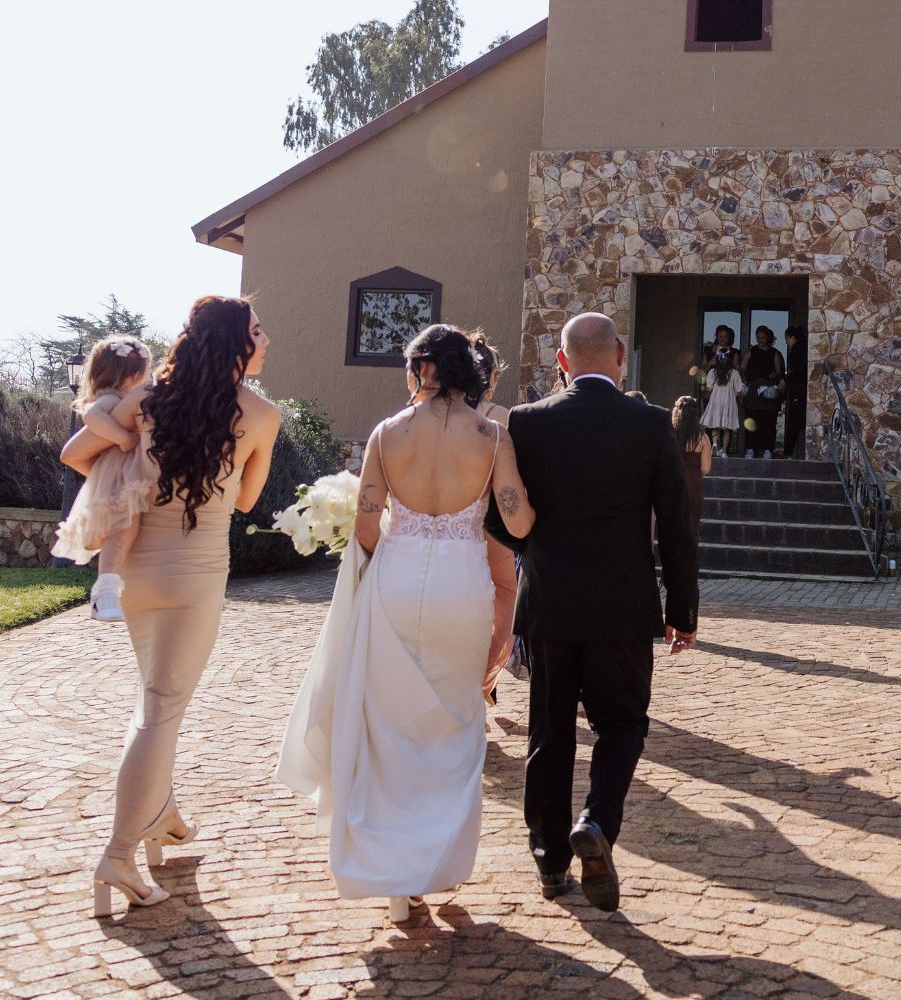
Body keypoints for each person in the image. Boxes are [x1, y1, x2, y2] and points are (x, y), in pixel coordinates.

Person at [278, 325, 535, 925]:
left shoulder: (387, 433)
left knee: (390, 726)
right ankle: (433, 861)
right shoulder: (491, 435)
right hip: (461, 587)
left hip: (396, 580)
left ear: (423, 369)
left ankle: (396, 878)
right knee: (454, 720)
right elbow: (518, 526)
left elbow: (367, 529)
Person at [62, 296, 281, 918]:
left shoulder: (151, 398)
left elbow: (87, 442)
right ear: (236, 343)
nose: (266, 342)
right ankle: (119, 851)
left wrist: (138, 435)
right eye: (258, 332)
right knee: (160, 708)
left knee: (156, 699)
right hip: (195, 575)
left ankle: (160, 815)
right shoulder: (263, 415)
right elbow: (244, 504)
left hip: (136, 571)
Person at [487, 312, 698, 913]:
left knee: (550, 735)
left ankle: (550, 862)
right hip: (623, 607)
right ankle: (598, 822)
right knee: (624, 724)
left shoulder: (526, 424)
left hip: (550, 604)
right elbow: (676, 530)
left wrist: (539, 555)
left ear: (561, 361)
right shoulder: (652, 425)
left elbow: (500, 516)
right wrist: (681, 609)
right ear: (620, 356)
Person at [50, 336, 155, 620]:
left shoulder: (126, 401)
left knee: (127, 531)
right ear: (133, 375)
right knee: (123, 529)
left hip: (123, 477)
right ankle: (104, 591)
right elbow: (92, 417)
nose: (151, 377)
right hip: (120, 476)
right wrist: (122, 438)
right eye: (147, 371)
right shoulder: (112, 399)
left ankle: (114, 589)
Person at [471, 331, 517, 705]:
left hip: (450, 524)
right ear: (493, 377)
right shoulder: (499, 417)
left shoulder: (445, 414)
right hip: (491, 525)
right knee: (507, 598)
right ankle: (482, 682)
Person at [740, 326, 786, 458]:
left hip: (768, 392)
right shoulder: (751, 352)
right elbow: (742, 369)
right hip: (753, 392)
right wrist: (743, 385)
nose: (761, 340)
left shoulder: (774, 353)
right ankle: (750, 449)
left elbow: (779, 372)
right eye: (758, 338)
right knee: (751, 421)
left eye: (763, 338)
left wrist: (774, 376)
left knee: (769, 422)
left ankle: (768, 450)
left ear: (768, 338)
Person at [672, 396, 711, 537]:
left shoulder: (669, 434)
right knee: (691, 529)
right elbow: (706, 469)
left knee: (671, 529)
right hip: (693, 485)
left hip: (672, 484)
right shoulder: (703, 438)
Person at [700, 348, 743, 457]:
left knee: (716, 425)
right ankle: (724, 451)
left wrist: (704, 388)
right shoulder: (734, 373)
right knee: (727, 428)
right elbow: (738, 390)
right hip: (729, 401)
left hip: (716, 400)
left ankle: (714, 443)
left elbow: (709, 388)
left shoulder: (713, 372)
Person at [782, 326, 809, 459]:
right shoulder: (803, 349)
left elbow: (798, 371)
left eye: (787, 339)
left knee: (795, 420)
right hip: (800, 388)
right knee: (797, 420)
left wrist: (785, 381)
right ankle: (790, 451)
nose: (786, 343)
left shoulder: (797, 351)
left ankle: (788, 452)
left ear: (792, 338)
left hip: (798, 389)